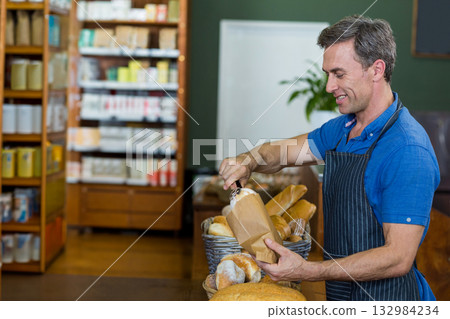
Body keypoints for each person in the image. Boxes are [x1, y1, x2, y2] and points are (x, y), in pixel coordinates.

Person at [219, 16, 440, 301]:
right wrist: (248, 160)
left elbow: (397, 258)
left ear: (377, 69)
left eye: (339, 74)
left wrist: (308, 270)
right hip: (342, 297)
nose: (328, 86)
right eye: (327, 74)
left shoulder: (407, 149)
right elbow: (282, 153)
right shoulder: (344, 128)